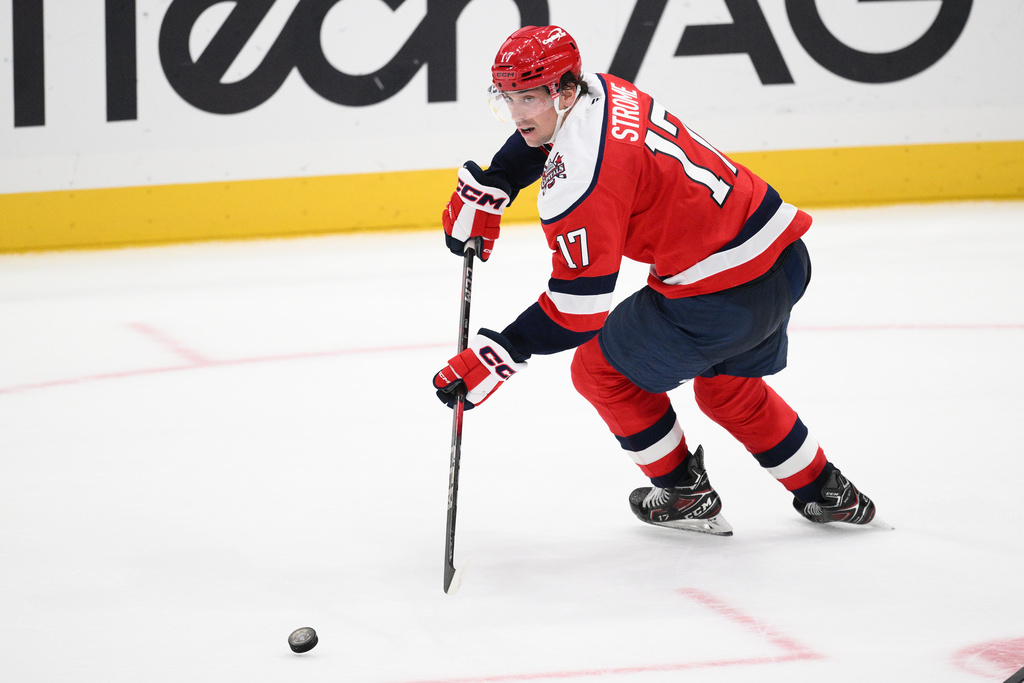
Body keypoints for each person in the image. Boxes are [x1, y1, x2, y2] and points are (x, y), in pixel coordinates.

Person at [432, 25, 883, 535]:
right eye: (507, 98)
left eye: (528, 98)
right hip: (782, 258)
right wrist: (501, 178)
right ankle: (827, 490)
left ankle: (683, 491)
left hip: (720, 295)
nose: (516, 115)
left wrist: (505, 349)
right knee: (727, 391)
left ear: (561, 90)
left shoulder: (579, 178)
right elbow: (554, 137)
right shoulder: (604, 87)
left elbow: (580, 309)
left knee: (599, 371)